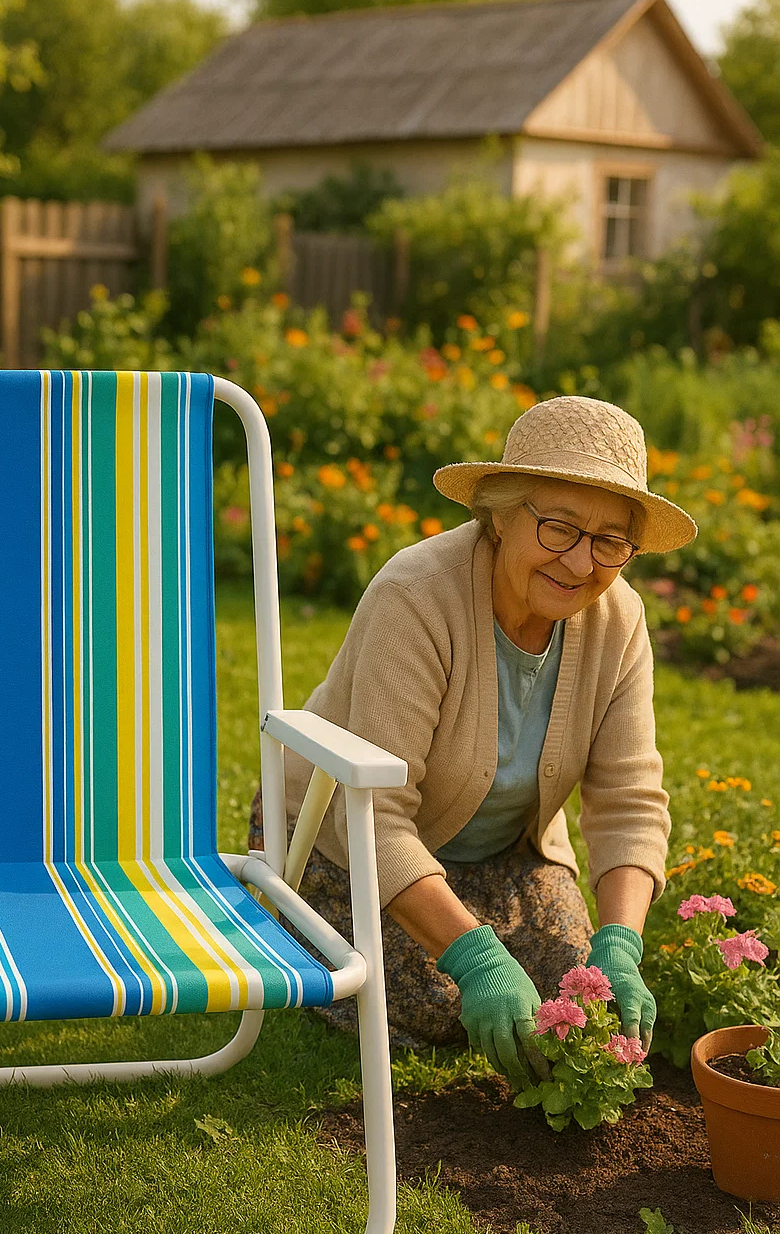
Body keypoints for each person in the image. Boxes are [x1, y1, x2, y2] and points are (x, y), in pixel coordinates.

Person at [249, 396, 697, 1087]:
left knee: (580, 997)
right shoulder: (418, 595)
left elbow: (630, 800)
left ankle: (451, 940)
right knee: (447, 1003)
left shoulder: (619, 619)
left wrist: (622, 943)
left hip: (499, 855)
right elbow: (374, 817)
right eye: (558, 527)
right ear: (499, 513)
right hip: (335, 844)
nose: (580, 563)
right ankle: (298, 936)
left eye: (610, 541)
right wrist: (476, 959)